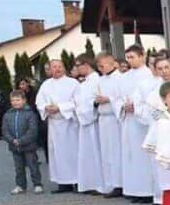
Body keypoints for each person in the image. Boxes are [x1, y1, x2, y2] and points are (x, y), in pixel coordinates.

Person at [121, 45, 157, 204]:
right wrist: (122, 106)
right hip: (129, 119)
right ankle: (134, 189)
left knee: (144, 155)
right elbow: (117, 96)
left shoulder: (149, 75)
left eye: (132, 57)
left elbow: (149, 98)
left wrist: (136, 107)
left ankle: (148, 191)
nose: (129, 60)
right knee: (131, 155)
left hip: (143, 122)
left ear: (142, 56)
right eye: (127, 57)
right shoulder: (124, 76)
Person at [36, 61, 79, 193]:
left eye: (60, 66)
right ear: (50, 70)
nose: (58, 69)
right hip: (54, 125)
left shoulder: (73, 83)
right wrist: (46, 107)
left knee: (72, 152)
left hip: (69, 124)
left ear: (64, 68)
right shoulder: (46, 85)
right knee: (57, 154)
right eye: (54, 67)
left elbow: (78, 101)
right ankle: (63, 183)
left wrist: (60, 107)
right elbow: (39, 101)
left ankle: (77, 181)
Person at [72, 55, 105, 195]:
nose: (77, 68)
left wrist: (89, 107)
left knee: (97, 153)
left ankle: (100, 184)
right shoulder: (84, 83)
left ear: (86, 64)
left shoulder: (97, 80)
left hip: (95, 123)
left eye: (78, 65)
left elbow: (95, 101)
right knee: (87, 154)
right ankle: (90, 183)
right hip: (84, 122)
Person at [3, 90, 44, 194]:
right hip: (14, 146)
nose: (15, 102)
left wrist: (21, 141)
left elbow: (33, 130)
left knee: (33, 165)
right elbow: (5, 130)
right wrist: (12, 140)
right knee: (18, 168)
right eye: (13, 100)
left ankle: (37, 184)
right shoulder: (7, 115)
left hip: (29, 146)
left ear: (24, 100)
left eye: (18, 100)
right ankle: (20, 185)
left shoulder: (30, 113)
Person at [95, 53, 124, 197]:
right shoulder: (100, 80)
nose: (100, 69)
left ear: (112, 63)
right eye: (98, 66)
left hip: (114, 119)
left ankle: (120, 183)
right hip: (103, 118)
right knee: (106, 152)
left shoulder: (120, 78)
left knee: (116, 152)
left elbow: (122, 98)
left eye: (102, 65)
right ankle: (110, 183)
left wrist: (109, 99)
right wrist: (96, 100)